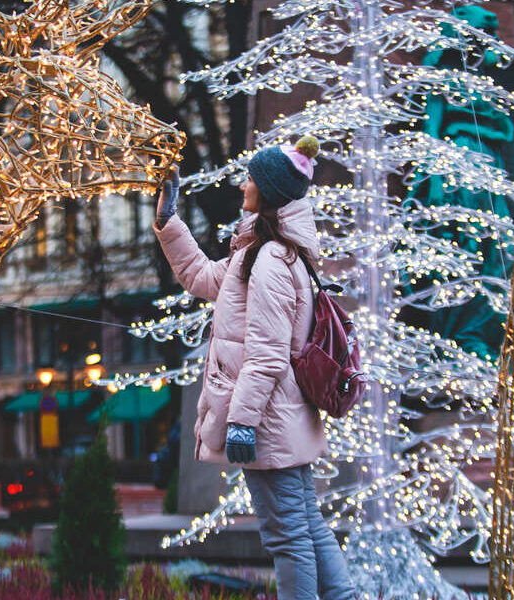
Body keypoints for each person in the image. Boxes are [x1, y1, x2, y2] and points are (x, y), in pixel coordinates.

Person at [153, 136, 357, 599]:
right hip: (281, 414)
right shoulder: (262, 252)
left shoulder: (270, 260)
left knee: (288, 537)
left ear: (267, 189)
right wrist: (169, 223)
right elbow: (203, 278)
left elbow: (265, 354)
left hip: (266, 417)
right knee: (306, 525)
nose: (243, 183)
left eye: (250, 177)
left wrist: (241, 423)